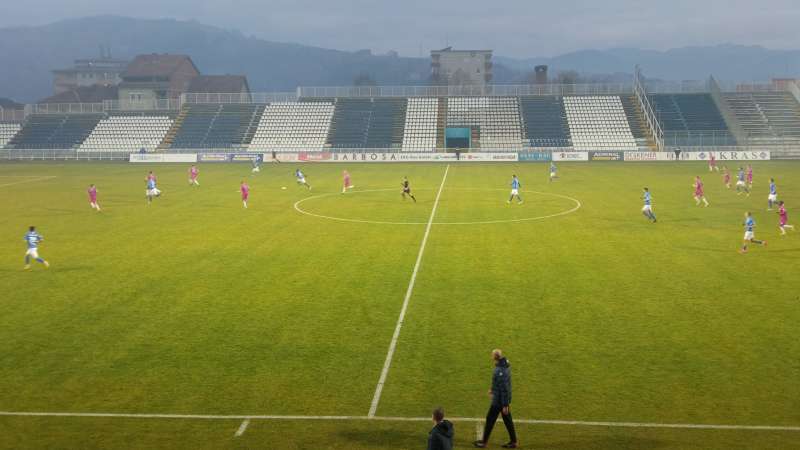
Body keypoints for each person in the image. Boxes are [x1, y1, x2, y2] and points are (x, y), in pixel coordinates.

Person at [474, 349, 517, 448]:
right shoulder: (504, 364)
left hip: (499, 401)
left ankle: (484, 442)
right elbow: (499, 383)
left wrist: (505, 405)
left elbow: (504, 388)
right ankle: (514, 441)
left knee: (490, 419)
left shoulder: (500, 371)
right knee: (507, 420)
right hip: (501, 398)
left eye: (492, 354)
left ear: (495, 357)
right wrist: (493, 389)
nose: (491, 356)